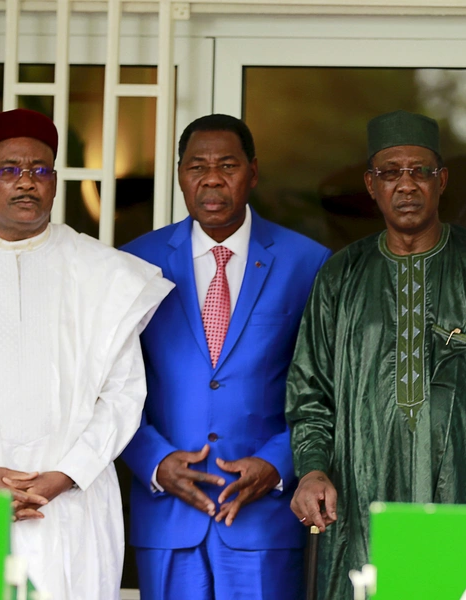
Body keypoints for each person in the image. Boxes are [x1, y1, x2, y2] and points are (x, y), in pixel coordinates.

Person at [0, 108, 173, 599]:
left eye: (40, 169)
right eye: (9, 170)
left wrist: (64, 475)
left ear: (55, 182)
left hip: (66, 500)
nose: (25, 182)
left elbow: (122, 396)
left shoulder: (105, 275)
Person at [286, 110, 466, 599]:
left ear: (441, 181)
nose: (406, 184)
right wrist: (315, 467)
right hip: (362, 495)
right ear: (371, 184)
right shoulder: (340, 278)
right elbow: (310, 391)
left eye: (419, 171)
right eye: (390, 172)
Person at [120, 114, 331, 600]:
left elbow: (327, 385)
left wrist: (279, 464)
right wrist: (153, 462)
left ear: (253, 173)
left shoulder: (307, 262)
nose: (212, 178)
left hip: (264, 520)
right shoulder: (133, 264)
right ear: (179, 175)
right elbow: (107, 385)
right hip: (168, 515)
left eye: (227, 165)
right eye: (197, 166)